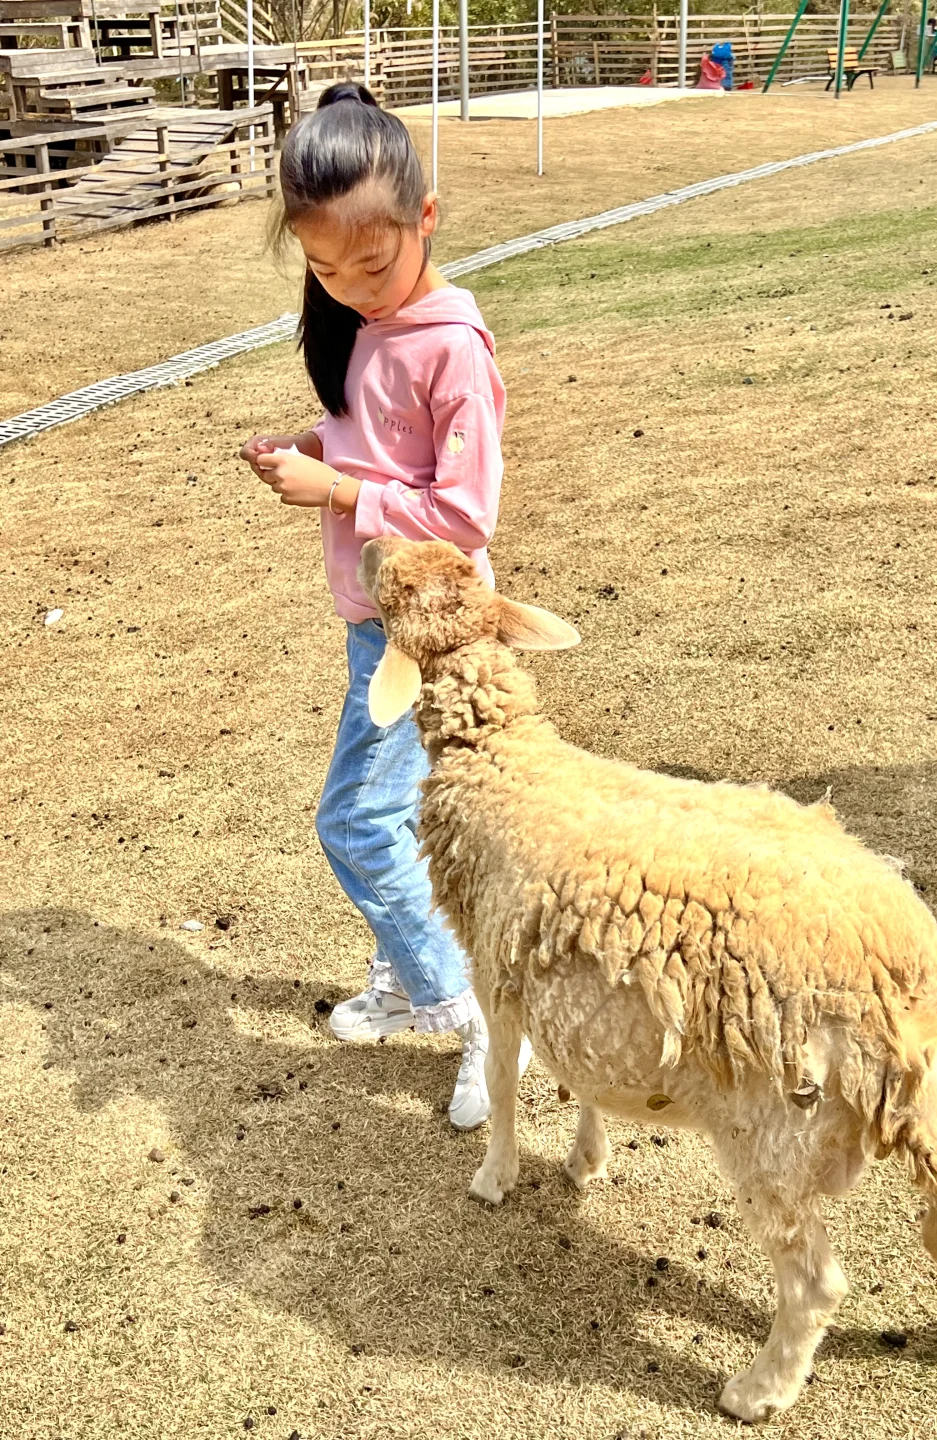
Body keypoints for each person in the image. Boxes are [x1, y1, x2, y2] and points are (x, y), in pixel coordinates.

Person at [239, 82, 527, 1131]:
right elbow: (375, 442)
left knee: (355, 822)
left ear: (428, 221)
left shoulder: (453, 344)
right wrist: (313, 451)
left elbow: (464, 509)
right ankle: (411, 978)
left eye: (372, 263)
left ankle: (479, 1008)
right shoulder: (366, 328)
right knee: (399, 814)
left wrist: (346, 492)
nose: (351, 287)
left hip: (428, 628)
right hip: (375, 617)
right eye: (322, 268)